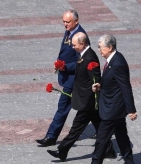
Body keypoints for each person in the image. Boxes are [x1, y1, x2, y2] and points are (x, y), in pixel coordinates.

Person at [47, 32, 116, 161]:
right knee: (100, 126)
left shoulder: (90, 57)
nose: (73, 47)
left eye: (74, 45)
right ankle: (109, 150)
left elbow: (95, 79)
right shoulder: (83, 55)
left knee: (76, 128)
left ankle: (62, 151)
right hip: (86, 100)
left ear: (82, 44)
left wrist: (93, 94)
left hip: (87, 102)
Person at [36, 9, 90, 146]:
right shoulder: (69, 31)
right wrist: (59, 62)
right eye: (64, 22)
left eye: (68, 22)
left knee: (63, 107)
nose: (65, 25)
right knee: (90, 111)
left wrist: (65, 66)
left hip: (74, 79)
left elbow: (81, 62)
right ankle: (106, 139)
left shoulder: (80, 36)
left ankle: (51, 136)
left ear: (76, 21)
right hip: (68, 77)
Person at [91, 34, 137, 164]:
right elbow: (114, 82)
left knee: (101, 140)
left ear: (110, 47)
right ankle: (129, 161)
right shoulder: (112, 60)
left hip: (112, 110)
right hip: (114, 108)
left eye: (101, 47)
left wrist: (131, 110)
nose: (99, 50)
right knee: (122, 137)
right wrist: (100, 86)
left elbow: (126, 88)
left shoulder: (118, 63)